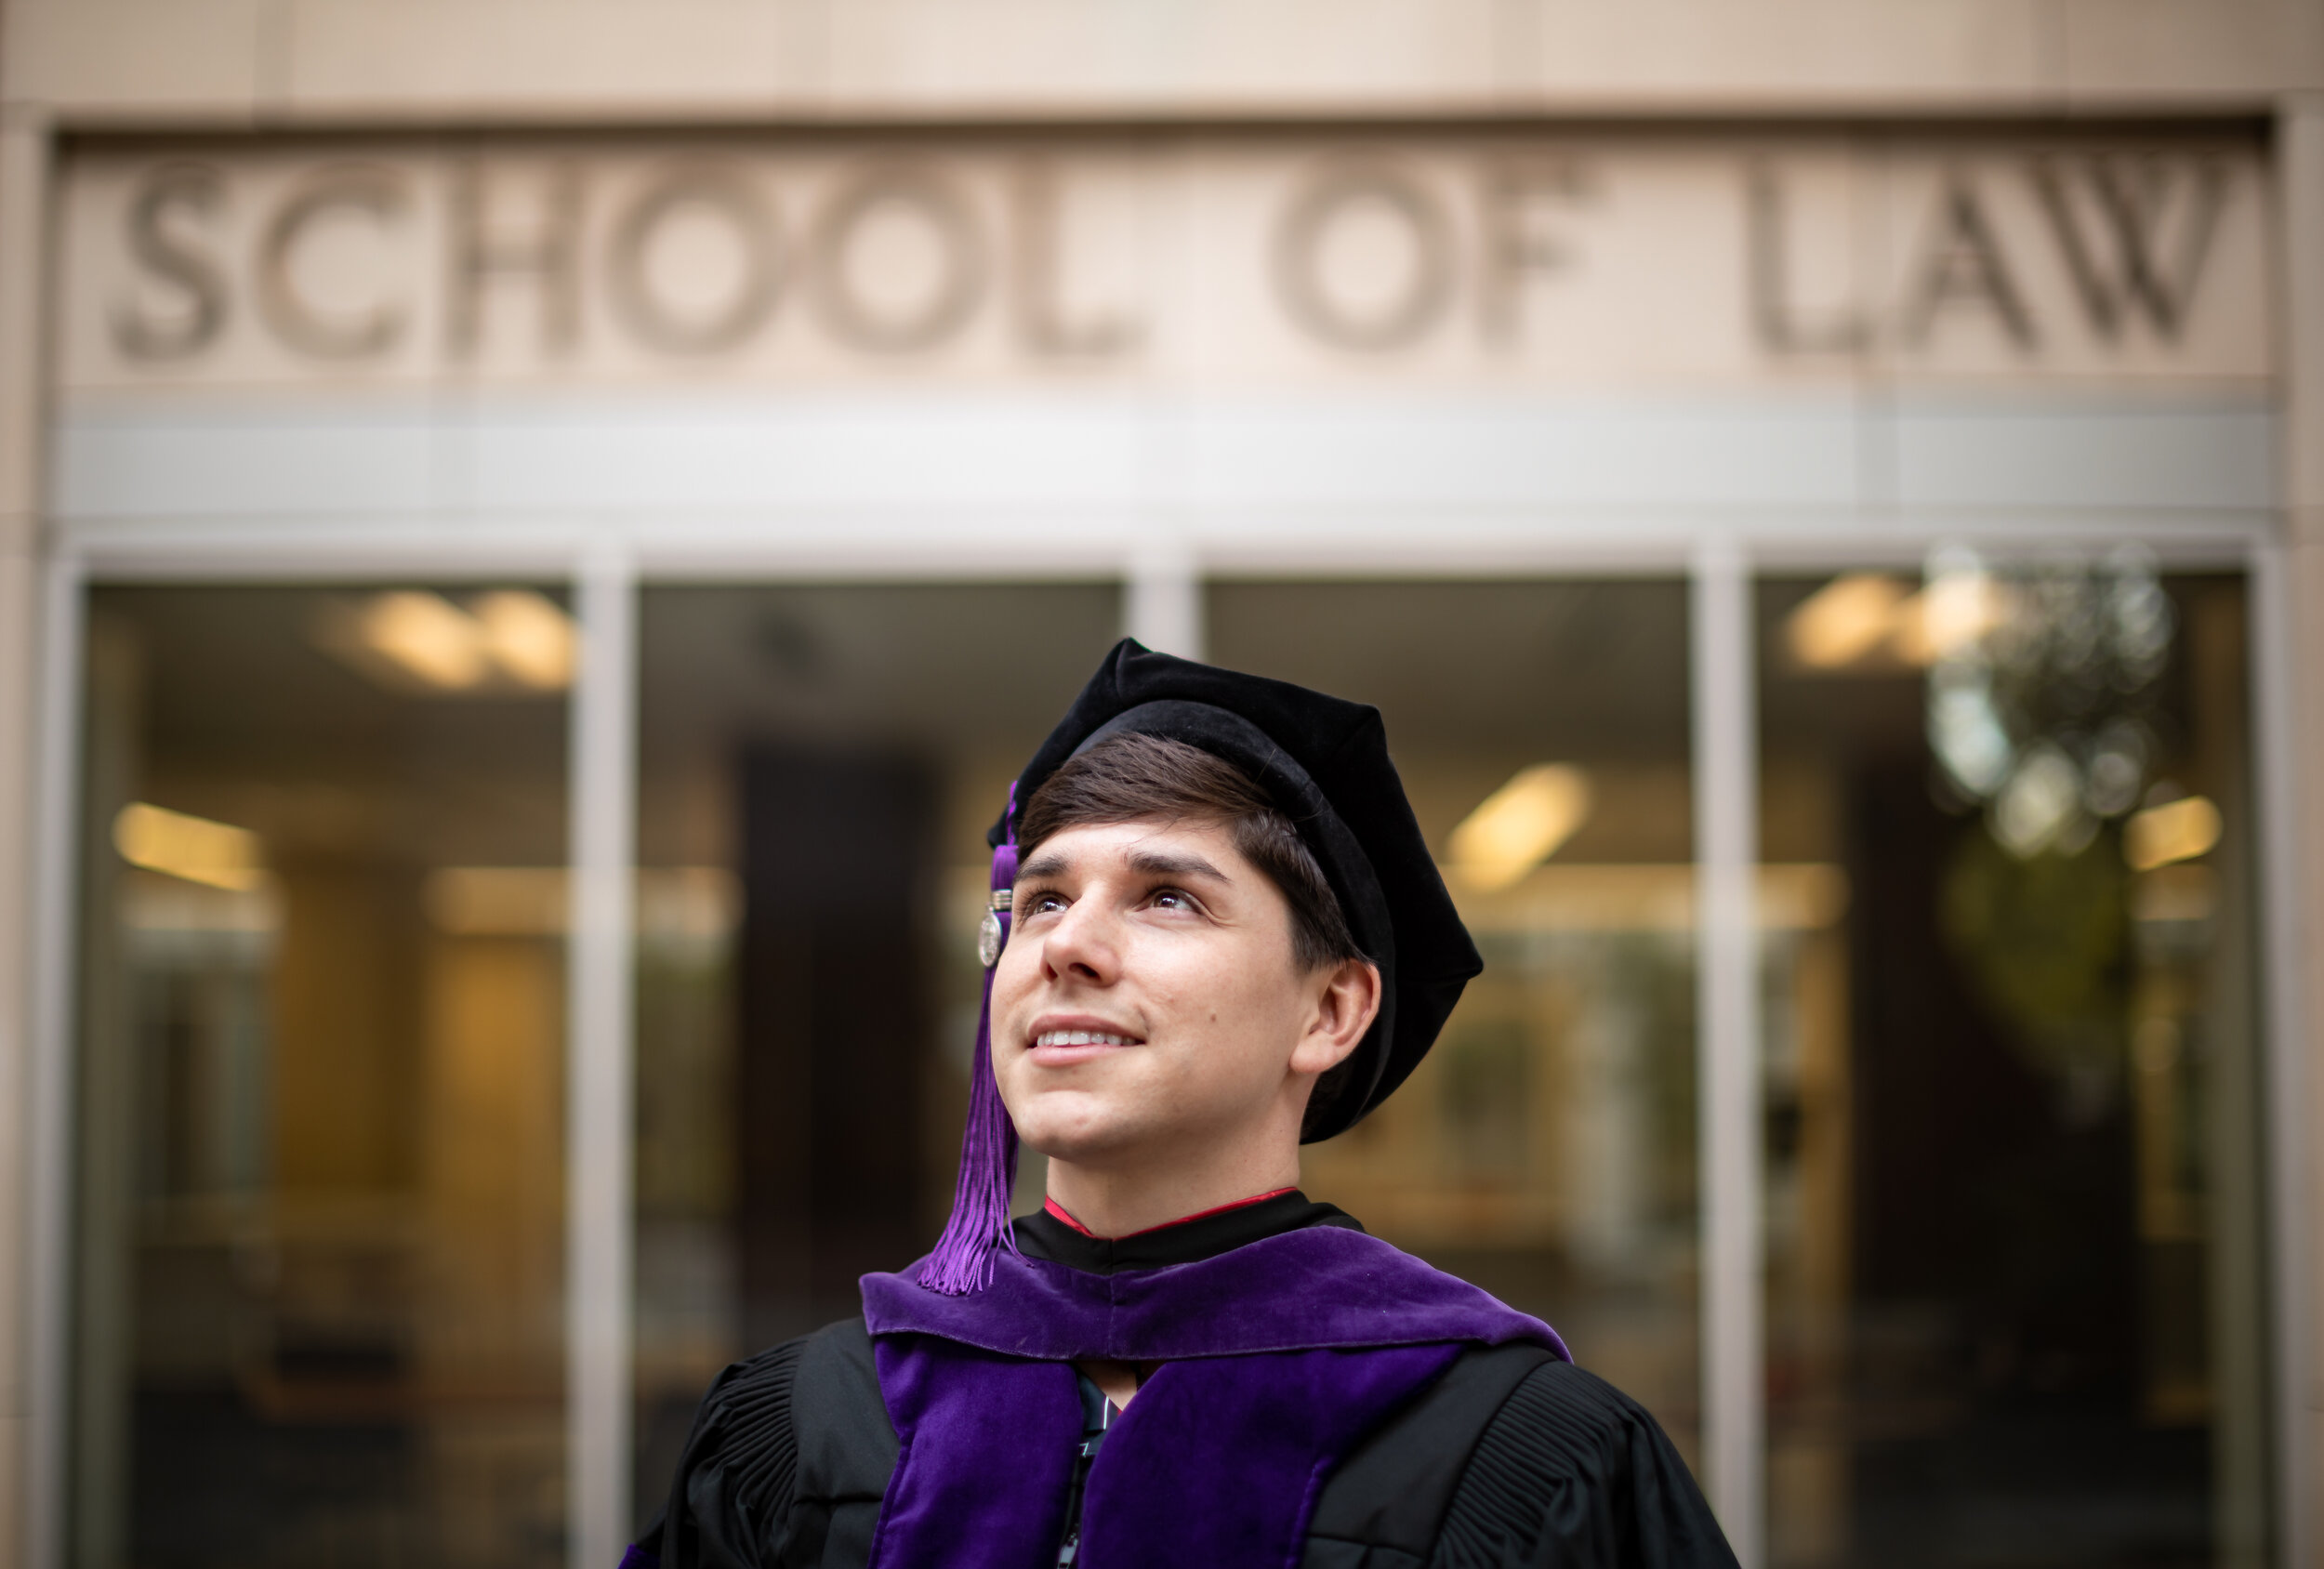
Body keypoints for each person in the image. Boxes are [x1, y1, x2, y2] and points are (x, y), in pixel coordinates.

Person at [629, 640, 1737, 1569]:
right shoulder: (811, 1417)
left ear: (1330, 1010)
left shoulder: (1525, 1451)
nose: (1062, 941)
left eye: (1166, 897)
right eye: (1044, 895)